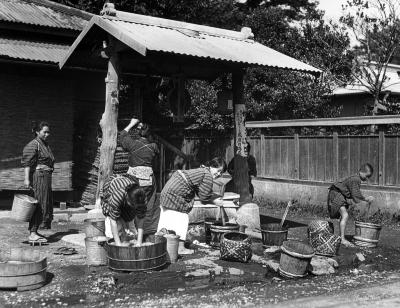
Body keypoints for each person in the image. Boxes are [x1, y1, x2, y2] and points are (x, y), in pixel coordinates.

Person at [157, 157, 227, 254]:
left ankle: (161, 245)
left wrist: (213, 197)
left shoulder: (203, 170)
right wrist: (215, 202)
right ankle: (180, 248)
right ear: (211, 166)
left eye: (221, 172)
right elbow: (204, 198)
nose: (219, 174)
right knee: (183, 217)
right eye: (218, 170)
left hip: (168, 190)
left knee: (167, 217)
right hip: (175, 192)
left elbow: (202, 191)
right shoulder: (207, 175)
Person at [119, 118, 159, 236]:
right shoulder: (154, 147)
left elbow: (122, 135)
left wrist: (131, 124)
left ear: (137, 132)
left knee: (132, 203)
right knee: (145, 205)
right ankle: (145, 231)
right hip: (148, 180)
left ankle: (132, 231)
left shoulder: (133, 144)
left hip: (133, 179)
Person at [21, 121, 55, 243]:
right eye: (44, 132)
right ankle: (33, 232)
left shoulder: (45, 145)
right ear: (37, 132)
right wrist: (26, 179)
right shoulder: (34, 145)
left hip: (46, 177)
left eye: (48, 132)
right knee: (39, 203)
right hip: (39, 177)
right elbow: (27, 163)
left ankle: (36, 231)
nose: (47, 134)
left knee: (44, 203)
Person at [327, 163, 375, 247]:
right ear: (361, 172)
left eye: (368, 177)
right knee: (345, 215)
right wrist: (366, 199)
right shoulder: (356, 179)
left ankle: (340, 237)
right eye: (366, 176)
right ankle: (342, 239)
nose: (367, 179)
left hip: (337, 193)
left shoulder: (355, 178)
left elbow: (352, 193)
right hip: (336, 194)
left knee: (343, 216)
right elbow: (355, 194)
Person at [101, 174, 148, 246]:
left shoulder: (141, 197)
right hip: (112, 191)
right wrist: (118, 244)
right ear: (127, 198)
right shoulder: (117, 196)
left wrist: (139, 243)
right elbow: (113, 222)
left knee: (131, 230)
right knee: (114, 231)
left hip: (128, 197)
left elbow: (141, 219)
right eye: (132, 205)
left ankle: (130, 238)